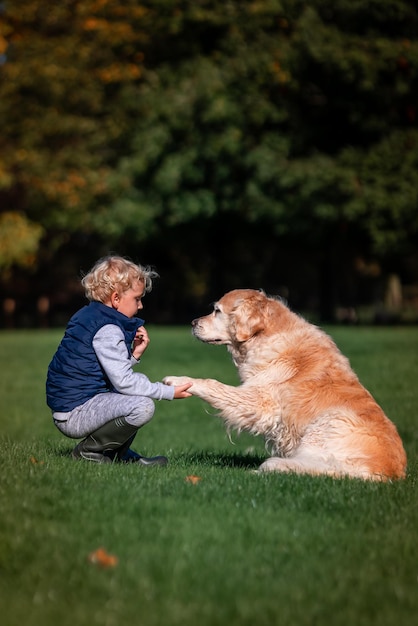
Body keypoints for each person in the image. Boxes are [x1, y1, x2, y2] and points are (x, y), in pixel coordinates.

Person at [46, 255, 192, 465]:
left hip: (73, 405)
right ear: (115, 299)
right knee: (142, 406)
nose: (140, 306)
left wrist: (134, 355)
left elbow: (100, 370)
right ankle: (89, 451)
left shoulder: (89, 315)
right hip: (75, 411)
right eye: (137, 299)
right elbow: (123, 381)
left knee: (132, 393)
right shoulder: (108, 329)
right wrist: (167, 392)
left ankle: (116, 454)